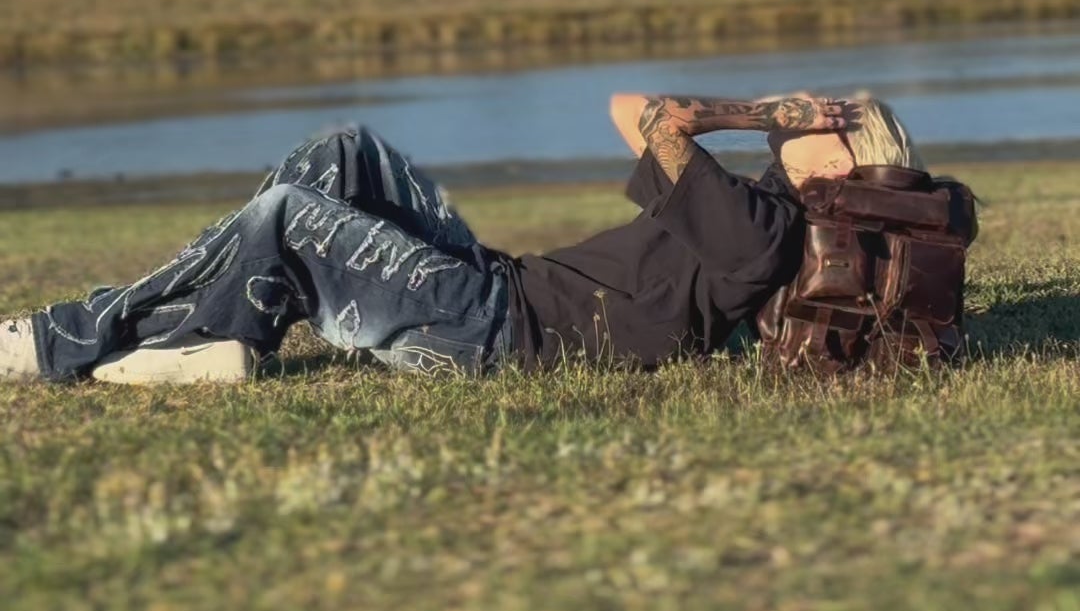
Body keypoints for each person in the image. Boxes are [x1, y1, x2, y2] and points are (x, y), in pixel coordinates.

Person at [0, 89, 922, 386]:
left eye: (809, 118)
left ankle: (58, 342)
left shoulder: (758, 227)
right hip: (496, 288)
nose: (786, 123)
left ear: (835, 156)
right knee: (342, 152)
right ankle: (228, 337)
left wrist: (752, 108)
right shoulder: (771, 219)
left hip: (494, 331)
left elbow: (642, 111)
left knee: (287, 213)